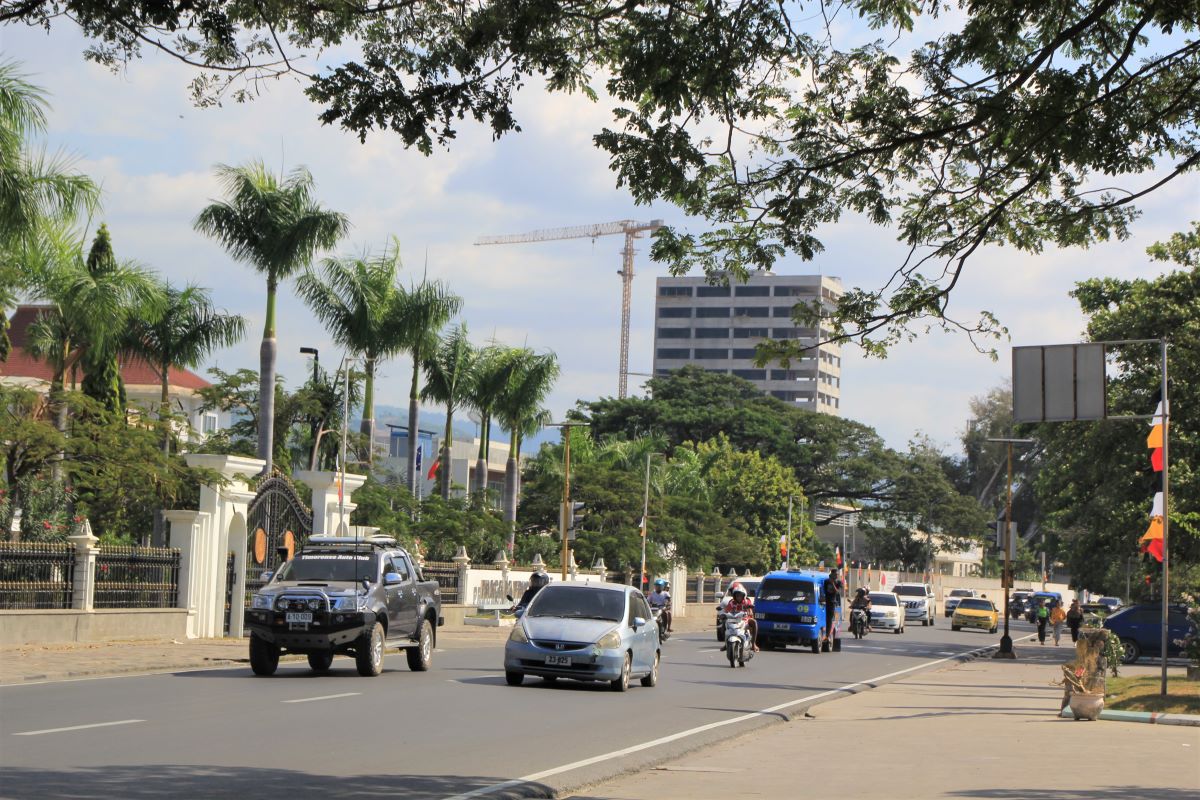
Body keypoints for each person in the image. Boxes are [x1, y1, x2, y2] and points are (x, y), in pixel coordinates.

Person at [722, 584, 758, 650]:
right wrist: (724, 614)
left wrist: (750, 607)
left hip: (745, 619)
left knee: (754, 622)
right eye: (737, 596)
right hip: (733, 619)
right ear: (734, 596)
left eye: (740, 596)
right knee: (725, 622)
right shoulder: (731, 603)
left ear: (743, 596)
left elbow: (750, 605)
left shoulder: (747, 601)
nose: (739, 597)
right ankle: (726, 644)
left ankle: (753, 644)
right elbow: (727, 609)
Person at [823, 568, 843, 643]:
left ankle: (827, 636)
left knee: (829, 619)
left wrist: (833, 583)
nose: (837, 575)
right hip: (825, 602)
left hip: (832, 603)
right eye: (835, 574)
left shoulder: (838, 582)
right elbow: (824, 591)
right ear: (831, 574)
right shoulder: (826, 581)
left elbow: (837, 592)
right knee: (824, 619)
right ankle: (824, 634)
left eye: (837, 574)